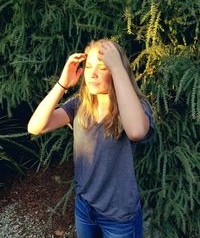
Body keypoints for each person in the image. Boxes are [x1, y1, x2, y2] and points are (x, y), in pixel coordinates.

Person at [28, 39, 155, 238]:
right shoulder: (79, 105)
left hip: (118, 215)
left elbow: (137, 131)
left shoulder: (135, 108)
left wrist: (118, 68)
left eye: (103, 67)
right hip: (84, 206)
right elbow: (35, 127)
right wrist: (63, 84)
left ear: (117, 70)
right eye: (88, 66)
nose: (92, 74)